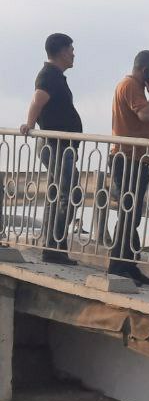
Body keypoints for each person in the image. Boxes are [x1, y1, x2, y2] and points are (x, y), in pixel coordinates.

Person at [19, 33, 83, 264]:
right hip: (56, 145)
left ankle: (53, 245)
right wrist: (29, 123)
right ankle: (54, 245)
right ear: (62, 51)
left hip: (60, 146)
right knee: (69, 193)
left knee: (59, 194)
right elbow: (38, 99)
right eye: (71, 49)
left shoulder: (55, 76)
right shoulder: (49, 76)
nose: (74, 54)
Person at [108, 50, 149, 285]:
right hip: (127, 158)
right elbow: (143, 115)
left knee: (132, 215)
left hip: (135, 159)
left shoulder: (133, 87)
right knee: (129, 213)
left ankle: (129, 265)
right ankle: (118, 266)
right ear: (146, 70)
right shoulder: (131, 85)